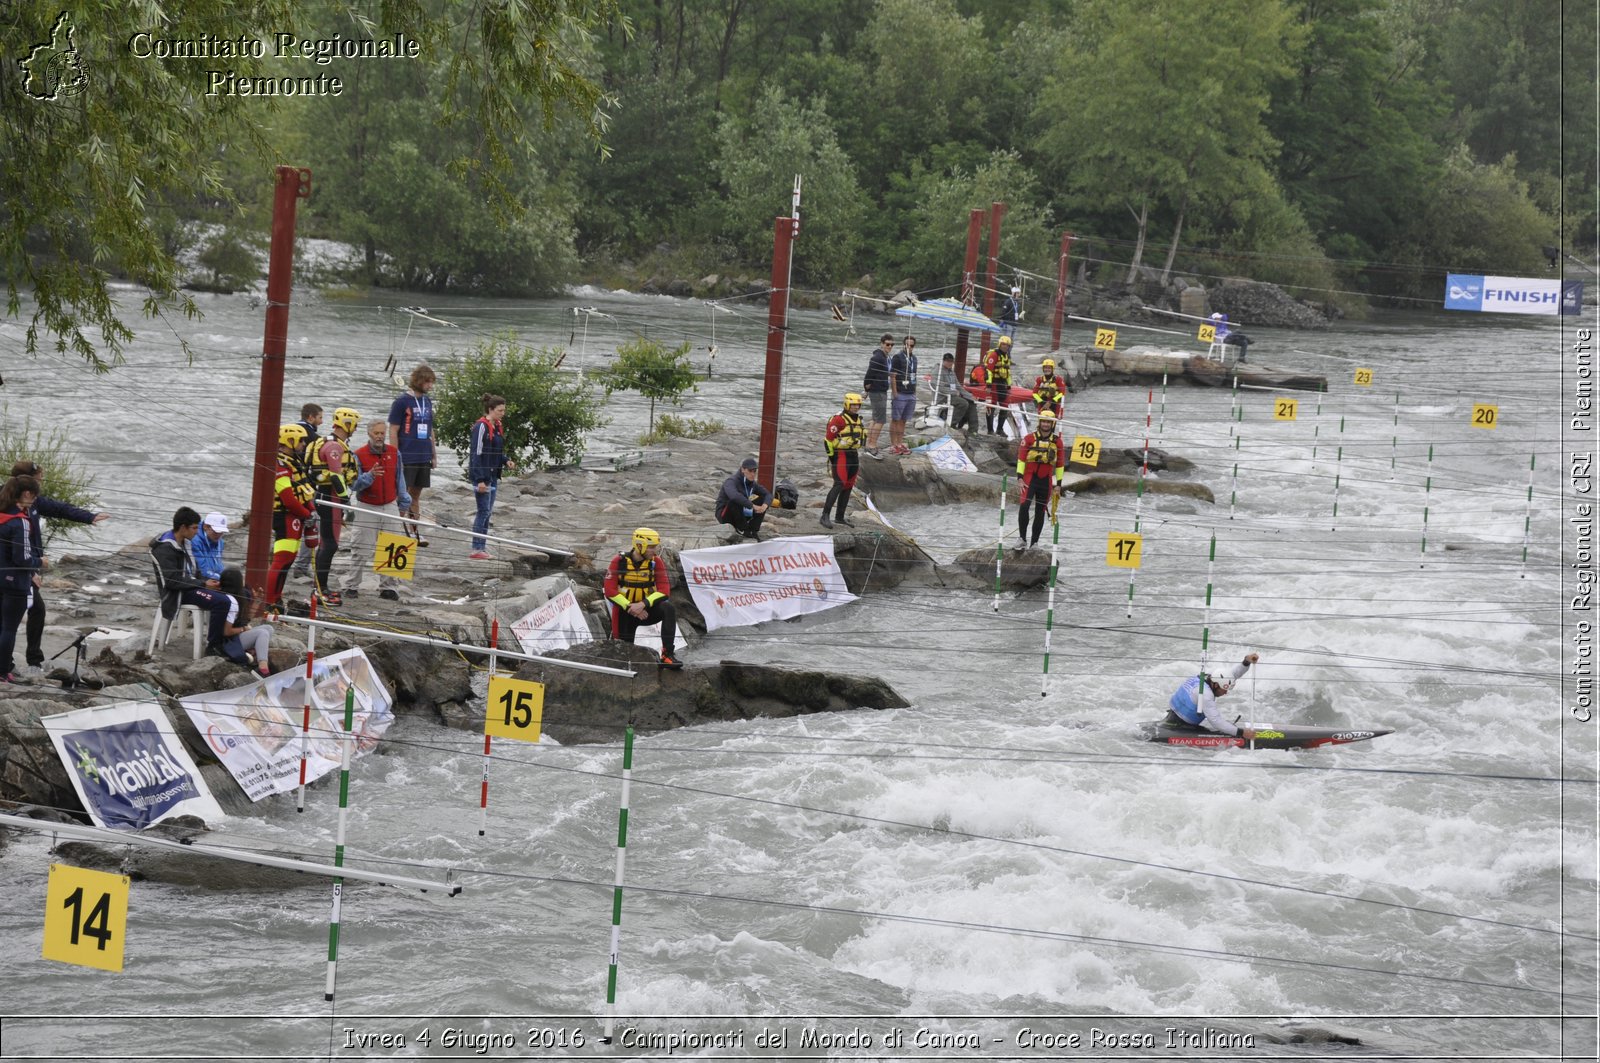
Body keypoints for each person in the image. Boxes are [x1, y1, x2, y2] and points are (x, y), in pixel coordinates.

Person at [8, 459, 109, 679]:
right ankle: (10, 664)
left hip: (25, 567)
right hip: (13, 570)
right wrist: (32, 569)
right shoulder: (8, 503)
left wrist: (89, 517)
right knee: (15, 617)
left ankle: (29, 660)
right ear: (27, 484)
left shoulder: (33, 502)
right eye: (40, 478)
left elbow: (59, 508)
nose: (42, 482)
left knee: (33, 610)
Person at [341, 421, 412, 601]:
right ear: (369, 434)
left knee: (394, 545)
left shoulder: (395, 453)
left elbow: (400, 479)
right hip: (366, 505)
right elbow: (354, 485)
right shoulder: (358, 455)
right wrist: (370, 475)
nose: (380, 436)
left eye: (382, 433)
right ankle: (351, 585)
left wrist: (404, 502)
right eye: (376, 433)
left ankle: (389, 587)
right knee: (360, 547)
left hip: (390, 504)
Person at [151, 505, 232, 656]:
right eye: (194, 528)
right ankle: (213, 646)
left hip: (191, 586)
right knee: (222, 602)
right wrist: (203, 583)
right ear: (183, 527)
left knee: (232, 590)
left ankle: (229, 638)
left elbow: (195, 571)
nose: (197, 531)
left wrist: (210, 581)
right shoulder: (166, 548)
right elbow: (171, 581)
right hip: (177, 593)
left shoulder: (186, 542)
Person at [603, 527, 684, 669]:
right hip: (625, 613)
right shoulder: (618, 561)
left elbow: (665, 591)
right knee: (624, 657)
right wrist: (630, 607)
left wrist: (643, 604)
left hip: (646, 611)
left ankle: (667, 655)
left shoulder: (656, 562)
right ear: (639, 546)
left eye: (655, 547)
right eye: (651, 547)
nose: (655, 551)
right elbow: (609, 591)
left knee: (668, 608)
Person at [310, 407, 361, 606]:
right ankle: (320, 589)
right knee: (330, 544)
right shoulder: (335, 447)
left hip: (327, 497)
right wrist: (345, 501)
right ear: (347, 424)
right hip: (330, 498)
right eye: (354, 424)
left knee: (328, 543)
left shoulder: (333, 443)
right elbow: (336, 476)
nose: (355, 429)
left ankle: (320, 587)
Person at [265, 423, 316, 613]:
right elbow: (287, 498)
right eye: (301, 440)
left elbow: (303, 491)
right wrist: (307, 514)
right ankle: (269, 602)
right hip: (285, 517)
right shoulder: (281, 465)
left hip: (295, 516)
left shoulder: (292, 462)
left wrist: (310, 510)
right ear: (290, 441)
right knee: (281, 560)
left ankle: (276, 599)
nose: (303, 444)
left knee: (287, 561)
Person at [388, 364, 438, 546]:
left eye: (432, 383)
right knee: (402, 495)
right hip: (406, 455)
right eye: (428, 382)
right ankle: (395, 531)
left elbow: (430, 429)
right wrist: (394, 454)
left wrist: (434, 454)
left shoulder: (427, 401)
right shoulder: (401, 402)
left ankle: (414, 531)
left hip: (423, 455)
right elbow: (393, 429)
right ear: (418, 381)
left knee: (416, 495)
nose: (430, 386)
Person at [0, 474, 42, 684]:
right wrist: (40, 562)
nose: (34, 501)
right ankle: (3, 672)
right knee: (8, 628)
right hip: (14, 583)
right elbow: (23, 558)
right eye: (34, 496)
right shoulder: (20, 522)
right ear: (26, 494)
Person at [1166, 654, 1261, 741]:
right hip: (1181, 727)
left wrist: (1246, 661)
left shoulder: (1210, 677)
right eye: (1224, 690)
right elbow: (1216, 721)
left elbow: (1233, 674)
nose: (1225, 693)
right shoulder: (1205, 694)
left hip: (1173, 716)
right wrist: (1241, 733)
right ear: (1215, 685)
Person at [468, 393, 516, 559]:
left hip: (493, 475)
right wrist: (480, 479)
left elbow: (496, 451)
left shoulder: (497, 426)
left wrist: (506, 460)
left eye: (504, 410)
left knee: (488, 512)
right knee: (483, 510)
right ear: (491, 409)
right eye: (500, 410)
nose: (503, 413)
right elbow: (477, 454)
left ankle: (482, 546)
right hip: (483, 476)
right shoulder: (481, 427)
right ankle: (476, 548)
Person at [1014, 409, 1066, 550]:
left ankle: (1034, 543)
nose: (1045, 424)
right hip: (1029, 479)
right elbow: (1021, 460)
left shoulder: (1057, 442)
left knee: (1040, 511)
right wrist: (1019, 478)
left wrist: (1058, 485)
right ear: (1039, 422)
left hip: (1046, 481)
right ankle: (1022, 539)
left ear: (1052, 424)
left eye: (1048, 422)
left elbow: (1060, 464)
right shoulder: (1029, 439)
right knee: (1024, 506)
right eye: (1043, 421)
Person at [217, 567, 273, 678]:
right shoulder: (228, 601)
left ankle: (251, 654)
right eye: (242, 578)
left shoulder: (238, 597)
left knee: (268, 628)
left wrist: (257, 602)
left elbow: (245, 620)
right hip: (228, 642)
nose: (244, 581)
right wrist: (243, 629)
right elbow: (226, 632)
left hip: (236, 637)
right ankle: (263, 669)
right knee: (262, 633)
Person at [821, 392, 865, 529]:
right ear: (847, 404)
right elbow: (827, 439)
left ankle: (839, 517)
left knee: (848, 486)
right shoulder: (838, 420)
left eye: (858, 405)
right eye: (853, 405)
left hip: (853, 455)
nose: (855, 408)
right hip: (841, 455)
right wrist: (832, 457)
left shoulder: (857, 419)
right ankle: (825, 516)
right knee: (839, 484)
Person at [291, 404, 324, 580]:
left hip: (292, 484)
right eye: (319, 417)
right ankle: (302, 565)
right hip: (305, 486)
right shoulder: (311, 435)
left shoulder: (293, 431)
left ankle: (281, 559)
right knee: (312, 522)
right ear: (310, 417)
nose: (322, 421)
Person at [716, 457, 772, 540]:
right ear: (743, 469)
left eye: (754, 471)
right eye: (750, 471)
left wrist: (765, 505)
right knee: (735, 500)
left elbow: (768, 494)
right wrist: (752, 505)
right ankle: (743, 529)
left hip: (741, 514)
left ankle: (753, 530)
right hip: (725, 515)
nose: (753, 474)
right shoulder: (731, 481)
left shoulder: (752, 484)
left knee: (762, 499)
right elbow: (734, 496)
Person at [861, 333, 892, 457]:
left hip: (881, 389)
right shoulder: (878, 358)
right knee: (880, 420)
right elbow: (869, 375)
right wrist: (867, 389)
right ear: (882, 343)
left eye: (891, 344)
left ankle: (869, 443)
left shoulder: (885, 357)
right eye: (887, 344)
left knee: (875, 418)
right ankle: (872, 445)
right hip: (877, 391)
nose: (890, 346)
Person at [887, 334, 918, 455]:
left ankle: (899, 443)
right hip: (900, 392)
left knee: (904, 420)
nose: (909, 347)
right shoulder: (897, 357)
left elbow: (914, 374)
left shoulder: (914, 358)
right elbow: (892, 375)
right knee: (895, 419)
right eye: (907, 345)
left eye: (912, 345)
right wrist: (894, 392)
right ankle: (893, 444)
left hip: (911, 393)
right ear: (903, 345)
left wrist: (915, 390)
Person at [933, 353, 978, 433]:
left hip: (952, 396)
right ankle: (951, 424)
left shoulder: (951, 372)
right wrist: (953, 392)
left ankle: (973, 430)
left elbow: (958, 386)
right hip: (942, 397)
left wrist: (970, 396)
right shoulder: (938, 371)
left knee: (971, 402)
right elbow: (938, 386)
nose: (950, 363)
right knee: (963, 403)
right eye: (948, 361)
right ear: (943, 361)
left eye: (951, 361)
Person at [984, 334, 1014, 434]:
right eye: (1004, 344)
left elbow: (1008, 372)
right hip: (994, 383)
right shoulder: (994, 355)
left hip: (1003, 383)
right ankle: (990, 430)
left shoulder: (1007, 356)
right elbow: (989, 371)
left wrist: (1009, 385)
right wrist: (988, 385)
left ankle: (1000, 429)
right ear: (1000, 344)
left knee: (1004, 406)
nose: (1005, 346)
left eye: (1007, 345)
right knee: (991, 406)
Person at [191, 512, 228, 586]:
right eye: (216, 531)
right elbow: (202, 570)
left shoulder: (220, 542)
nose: (219, 535)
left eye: (222, 532)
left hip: (215, 579)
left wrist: (227, 577)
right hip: (201, 581)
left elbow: (219, 566)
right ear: (205, 527)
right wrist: (222, 579)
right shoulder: (195, 541)